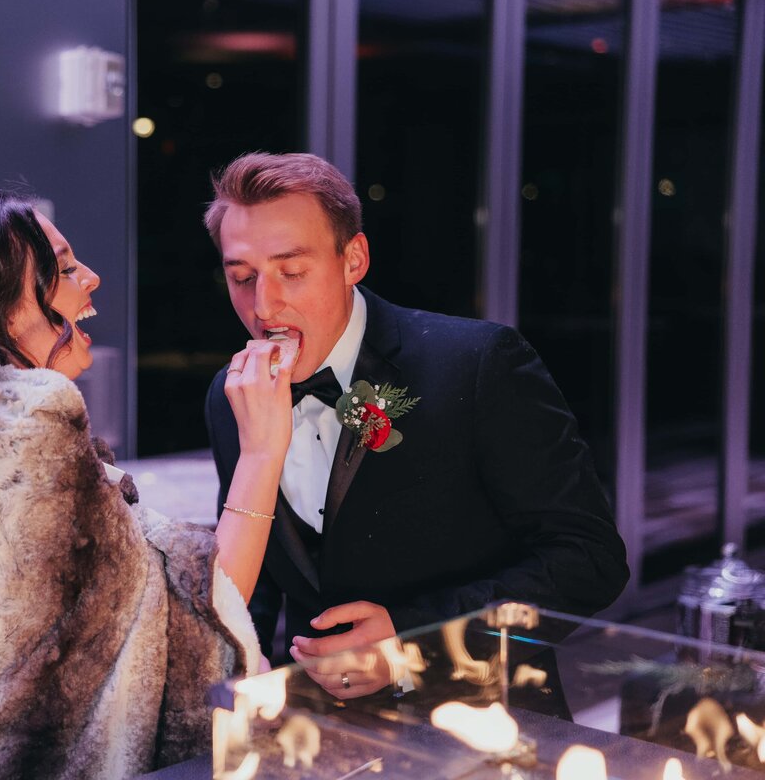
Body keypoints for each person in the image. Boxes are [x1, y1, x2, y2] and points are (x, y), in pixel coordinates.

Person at [0, 188, 293, 779]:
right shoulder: (27, 420)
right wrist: (263, 450)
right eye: (63, 268)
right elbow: (196, 615)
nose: (90, 278)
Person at [202, 152, 629, 700]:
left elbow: (588, 559)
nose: (265, 305)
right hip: (313, 734)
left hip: (482, 723)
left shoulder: (477, 364)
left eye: (292, 271)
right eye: (242, 277)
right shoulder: (228, 394)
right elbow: (256, 575)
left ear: (353, 259)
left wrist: (414, 644)